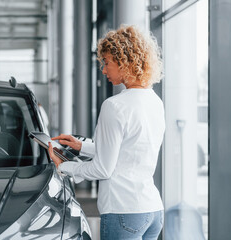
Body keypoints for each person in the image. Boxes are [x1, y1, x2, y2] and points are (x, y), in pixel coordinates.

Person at [48, 25, 165, 240]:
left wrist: (64, 166)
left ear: (125, 62)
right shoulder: (154, 101)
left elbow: (103, 169)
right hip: (152, 210)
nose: (103, 70)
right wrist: (82, 146)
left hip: (123, 211)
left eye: (107, 63)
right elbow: (130, 149)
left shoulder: (115, 106)